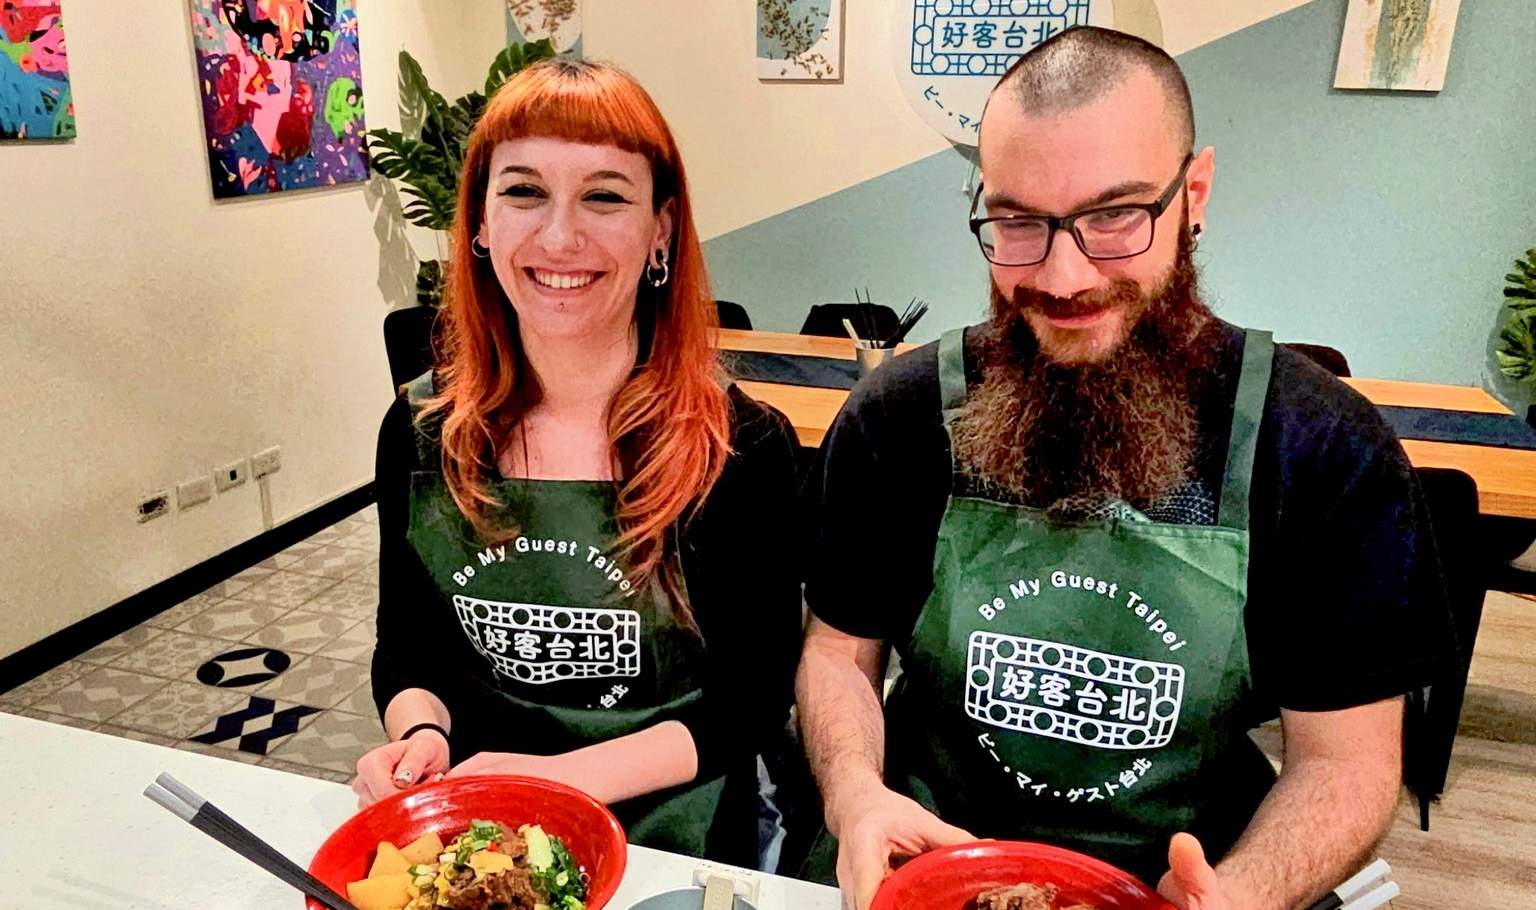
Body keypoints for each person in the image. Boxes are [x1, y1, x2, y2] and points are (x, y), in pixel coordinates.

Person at [796, 27, 1450, 910]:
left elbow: (1347, 759)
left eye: (1115, 215)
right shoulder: (901, 417)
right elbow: (839, 652)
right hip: (921, 854)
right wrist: (853, 792)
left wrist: (1243, 892)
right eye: (1019, 221)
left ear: (1196, 195)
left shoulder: (1319, 448)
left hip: (1184, 871)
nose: (1064, 276)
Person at [353, 59, 803, 868]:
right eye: (524, 192)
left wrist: (562, 780)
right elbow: (409, 647)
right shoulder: (421, 433)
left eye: (604, 195)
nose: (560, 237)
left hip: (678, 844)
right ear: (480, 224)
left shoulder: (743, 448)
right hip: (482, 833)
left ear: (661, 229)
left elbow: (752, 702)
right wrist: (419, 733)